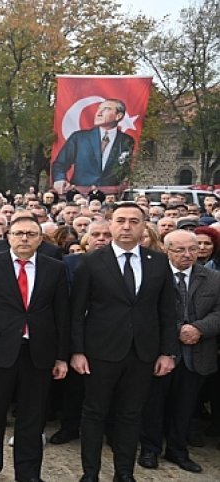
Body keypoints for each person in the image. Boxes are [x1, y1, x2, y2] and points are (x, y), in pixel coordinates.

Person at [70, 202, 178, 482]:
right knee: (94, 413)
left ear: (144, 226)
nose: (127, 226)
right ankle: (90, 473)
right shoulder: (92, 261)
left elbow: (167, 311)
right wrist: (77, 351)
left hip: (143, 353)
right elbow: (76, 312)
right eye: (121, 220)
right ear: (111, 224)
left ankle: (124, 473)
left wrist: (168, 353)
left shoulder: (158, 262)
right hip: (100, 352)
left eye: (133, 221)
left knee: (131, 415)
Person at [0, 216, 70, 482]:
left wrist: (61, 356)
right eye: (18, 233)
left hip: (39, 353)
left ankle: (28, 473)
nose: (24, 238)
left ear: (40, 238)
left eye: (30, 234)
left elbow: (62, 315)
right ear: (9, 237)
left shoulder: (55, 268)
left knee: (33, 418)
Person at [137, 230, 220, 474]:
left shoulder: (213, 278)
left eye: (192, 249)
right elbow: (143, 312)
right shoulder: (153, 276)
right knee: (153, 404)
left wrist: (199, 328)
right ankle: (150, 449)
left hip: (197, 354)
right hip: (160, 353)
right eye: (179, 250)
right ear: (166, 250)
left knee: (185, 407)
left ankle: (178, 450)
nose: (187, 255)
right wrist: (178, 331)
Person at [52, 99, 136, 191]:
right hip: (80, 194)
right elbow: (60, 164)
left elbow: (124, 169)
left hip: (110, 195)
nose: (99, 113)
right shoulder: (79, 138)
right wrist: (59, 179)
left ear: (118, 116)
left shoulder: (126, 141)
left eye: (106, 109)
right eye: (98, 109)